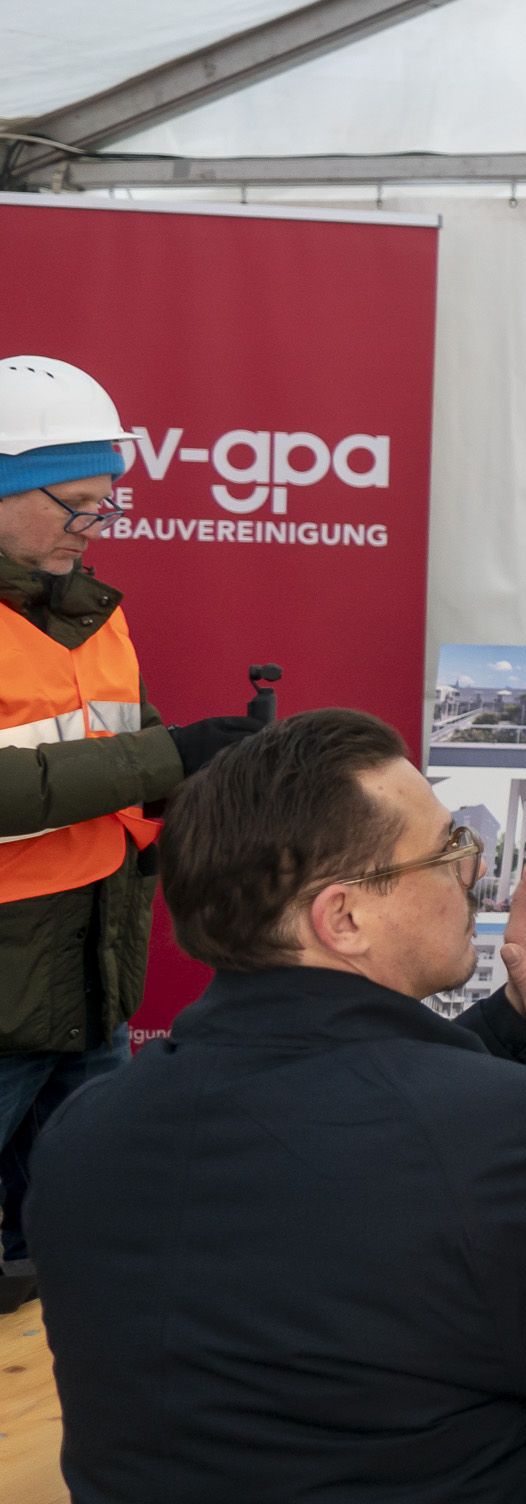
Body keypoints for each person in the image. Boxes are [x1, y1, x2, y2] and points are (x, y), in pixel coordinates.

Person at [28, 708, 526, 1503]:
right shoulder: (488, 1138)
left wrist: (522, 1017)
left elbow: (369, 1135)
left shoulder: (87, 1131)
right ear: (344, 918)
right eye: (449, 848)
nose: (474, 870)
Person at [0, 354, 266, 1311]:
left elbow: (130, 759)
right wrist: (172, 753)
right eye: (75, 506)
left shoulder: (89, 611)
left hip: (90, 980)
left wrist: (216, 773)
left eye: (105, 504)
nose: (95, 526)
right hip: (6, 996)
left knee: (85, 1245)